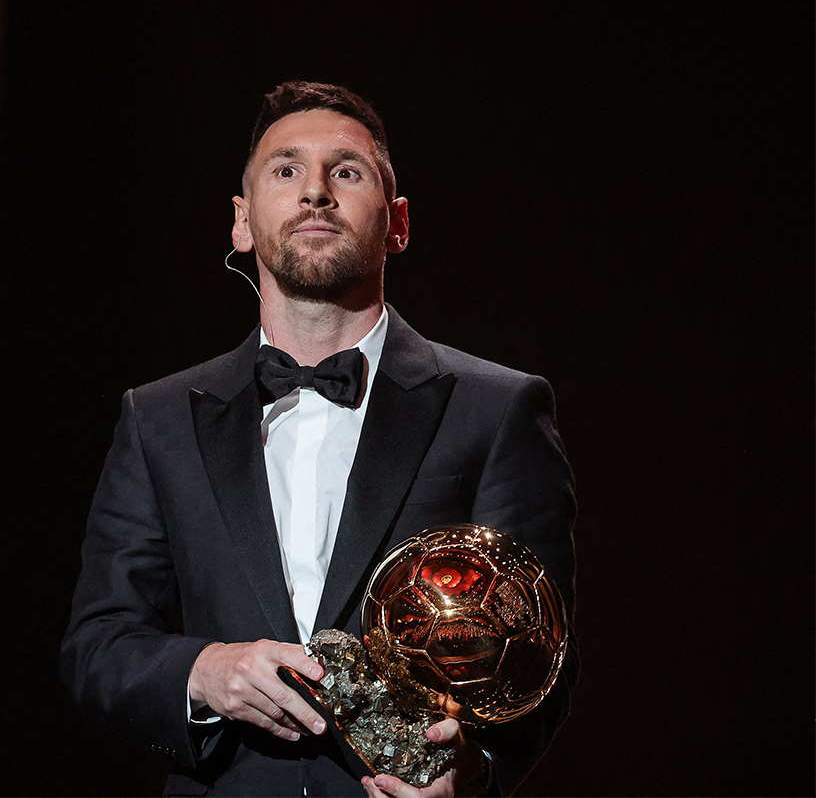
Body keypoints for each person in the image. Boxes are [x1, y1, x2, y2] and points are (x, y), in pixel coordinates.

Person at [61, 82, 577, 797]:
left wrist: (469, 777)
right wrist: (203, 673)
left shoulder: (497, 409)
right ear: (242, 223)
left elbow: (540, 654)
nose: (314, 193)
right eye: (285, 170)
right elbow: (99, 645)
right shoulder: (158, 418)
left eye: (346, 171)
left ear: (397, 223)